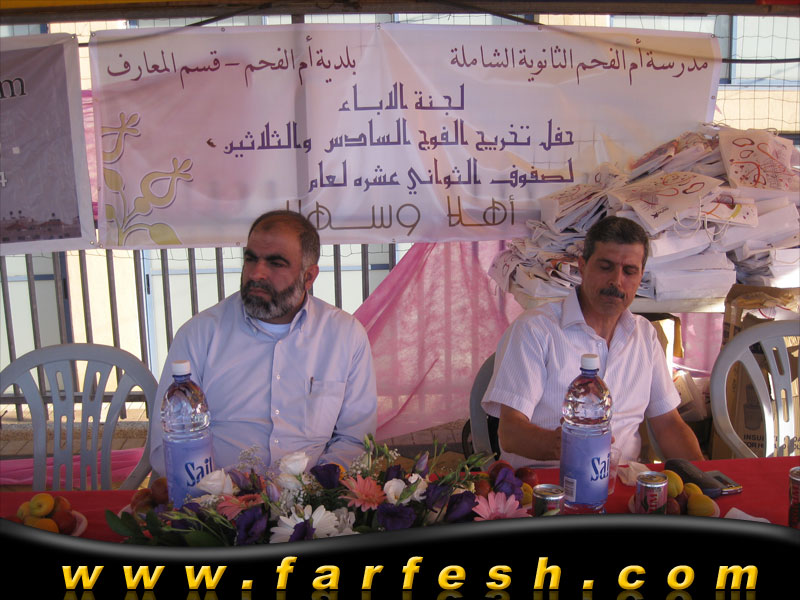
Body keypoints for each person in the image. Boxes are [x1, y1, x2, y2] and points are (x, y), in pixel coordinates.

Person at [149, 210, 377, 477]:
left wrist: (318, 490)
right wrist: (217, 492)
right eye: (250, 259)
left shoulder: (345, 336)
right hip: (215, 496)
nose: (257, 273)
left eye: (276, 263)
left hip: (313, 498)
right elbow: (167, 447)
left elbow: (355, 440)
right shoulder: (199, 335)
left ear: (309, 277)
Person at [481, 215, 704, 468]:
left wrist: (703, 475)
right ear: (582, 267)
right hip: (547, 482)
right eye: (605, 267)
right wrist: (561, 445)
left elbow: (668, 424)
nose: (616, 281)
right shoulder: (535, 330)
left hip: (621, 481)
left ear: (641, 276)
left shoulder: (645, 335)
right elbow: (510, 433)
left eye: (629, 271)